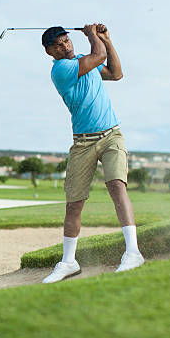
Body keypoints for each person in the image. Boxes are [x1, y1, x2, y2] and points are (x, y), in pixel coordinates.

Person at [41, 23, 144, 284]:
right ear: (49, 52)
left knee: (117, 187)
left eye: (66, 40)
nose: (64, 45)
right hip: (83, 143)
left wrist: (107, 40)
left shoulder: (81, 61)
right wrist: (92, 36)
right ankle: (68, 262)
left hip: (111, 135)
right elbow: (97, 57)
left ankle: (133, 253)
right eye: (58, 44)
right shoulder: (62, 69)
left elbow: (116, 73)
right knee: (74, 203)